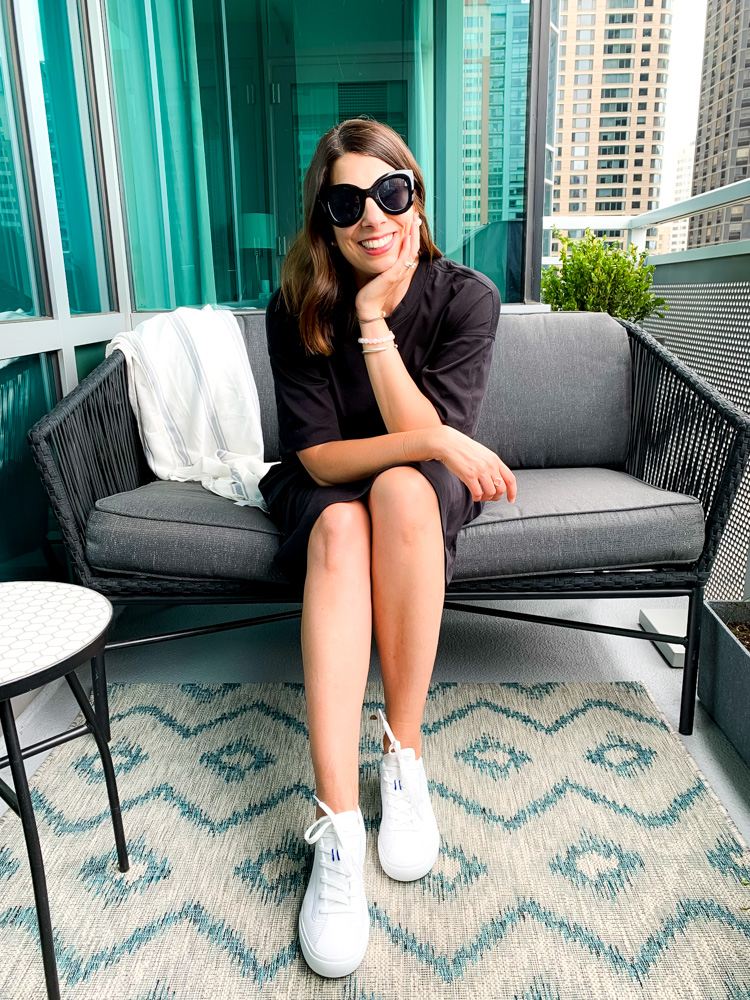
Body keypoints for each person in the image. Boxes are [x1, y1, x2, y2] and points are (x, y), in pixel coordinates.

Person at [258, 118, 517, 979]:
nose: (372, 215)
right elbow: (322, 459)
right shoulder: (295, 306)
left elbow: (421, 446)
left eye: (389, 192)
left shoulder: (466, 297)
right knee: (340, 519)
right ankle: (337, 824)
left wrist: (376, 326)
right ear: (323, 220)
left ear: (415, 196)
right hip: (326, 486)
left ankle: (402, 756)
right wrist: (439, 440)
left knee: (403, 489)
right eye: (346, 201)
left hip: (417, 493)